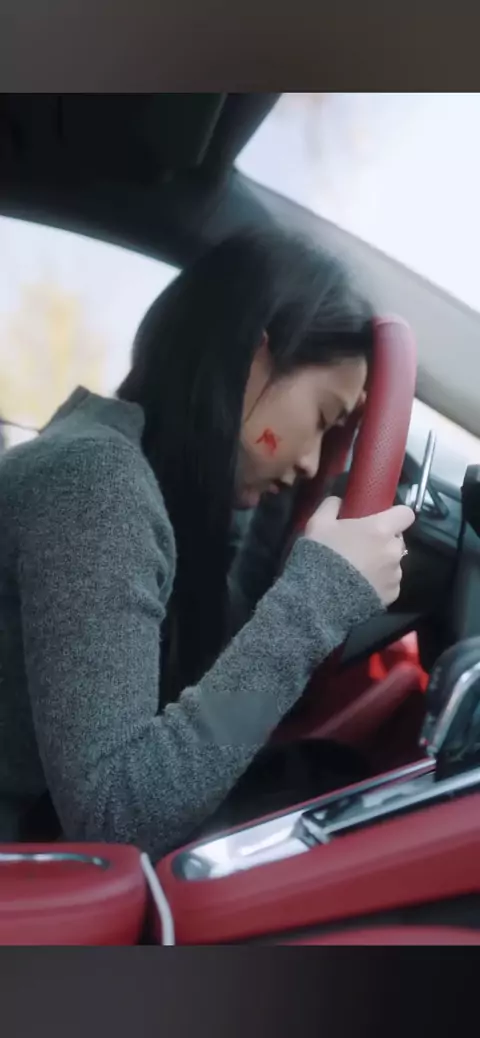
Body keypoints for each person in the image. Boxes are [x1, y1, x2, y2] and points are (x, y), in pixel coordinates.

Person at [0, 229, 414, 860]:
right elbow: (115, 816)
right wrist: (319, 599)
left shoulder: (132, 475)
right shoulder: (96, 484)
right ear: (253, 359)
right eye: (322, 418)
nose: (312, 461)